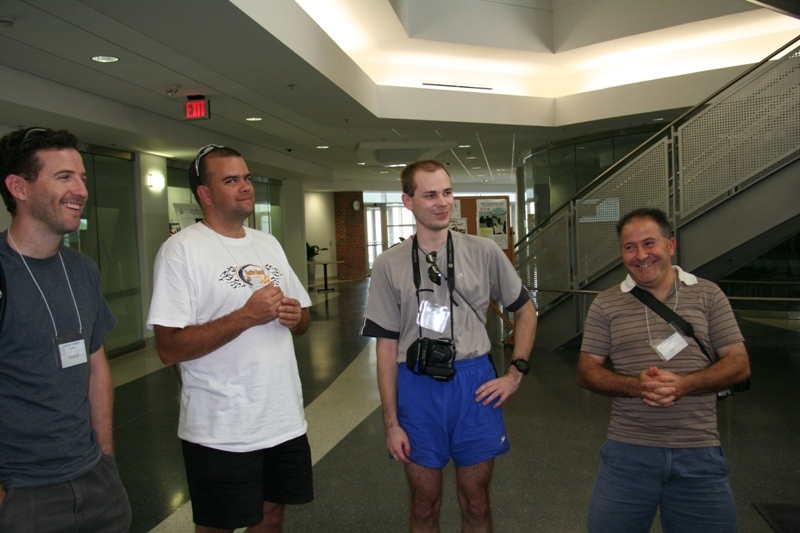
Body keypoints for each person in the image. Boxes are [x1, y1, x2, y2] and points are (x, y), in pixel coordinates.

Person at [360, 159, 537, 532]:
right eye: (430, 195)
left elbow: (525, 310)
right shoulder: (389, 264)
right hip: (417, 384)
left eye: (447, 192)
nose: (442, 203)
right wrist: (391, 424)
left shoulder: (483, 251)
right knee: (424, 506)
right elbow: (386, 348)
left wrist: (514, 372)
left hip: (474, 383)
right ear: (408, 202)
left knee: (476, 501)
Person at [147, 144, 313, 533]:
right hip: (220, 427)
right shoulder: (181, 251)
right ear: (204, 193)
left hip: (282, 418)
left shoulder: (267, 243)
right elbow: (168, 348)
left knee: (271, 515)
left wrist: (294, 317)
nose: (246, 187)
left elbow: (304, 319)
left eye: (247, 178)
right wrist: (244, 317)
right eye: (231, 180)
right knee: (219, 525)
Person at [577, 207, 751, 533]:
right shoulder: (606, 303)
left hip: (699, 452)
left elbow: (739, 363)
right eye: (630, 247)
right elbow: (587, 371)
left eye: (649, 243)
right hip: (627, 454)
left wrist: (684, 385)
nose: (641, 255)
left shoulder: (708, 294)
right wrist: (636, 387)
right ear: (622, 253)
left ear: (670, 246)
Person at [0, 127, 131, 531]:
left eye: (82, 177)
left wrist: (105, 457)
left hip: (94, 477)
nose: (81, 189)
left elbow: (96, 366)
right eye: (64, 177)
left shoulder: (83, 270)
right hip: (22, 492)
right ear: (18, 188)